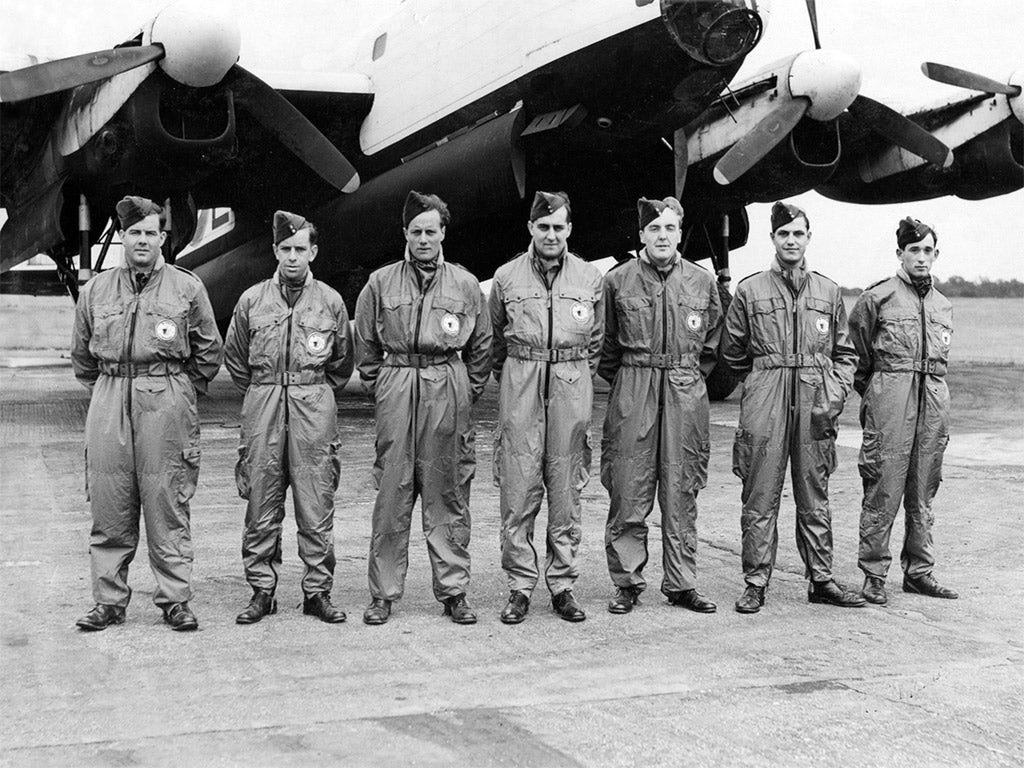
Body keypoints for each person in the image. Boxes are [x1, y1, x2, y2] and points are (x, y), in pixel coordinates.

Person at [71, 195, 223, 632]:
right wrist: (113, 386)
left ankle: (175, 600)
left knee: (167, 502)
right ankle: (108, 601)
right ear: (122, 237)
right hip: (110, 397)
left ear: (162, 238)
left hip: (167, 400)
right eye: (134, 232)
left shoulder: (187, 287)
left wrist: (176, 390)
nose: (142, 240)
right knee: (109, 503)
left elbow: (208, 351)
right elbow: (82, 357)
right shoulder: (95, 291)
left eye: (150, 233)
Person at [354, 191, 492, 626]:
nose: (424, 239)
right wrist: (383, 387)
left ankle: (454, 591)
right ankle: (384, 593)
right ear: (405, 235)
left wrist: (464, 390)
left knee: (446, 492)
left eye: (431, 231)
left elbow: (482, 346)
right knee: (392, 494)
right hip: (398, 384)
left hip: (445, 386)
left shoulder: (465, 285)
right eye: (416, 232)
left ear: (443, 233)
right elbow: (365, 343)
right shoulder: (380, 282)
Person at [720, 201, 864, 613]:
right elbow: (732, 353)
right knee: (760, 493)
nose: (791, 241)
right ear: (773, 239)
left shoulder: (828, 291)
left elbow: (845, 353)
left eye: (798, 233)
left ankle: (820, 579)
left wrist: (833, 395)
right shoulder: (750, 290)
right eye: (784, 234)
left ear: (808, 238)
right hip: (767, 397)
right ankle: (755, 581)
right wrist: (764, 378)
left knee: (814, 492)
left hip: (816, 401)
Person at [224, 211, 353, 625]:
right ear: (275, 251)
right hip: (262, 402)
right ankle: (262, 591)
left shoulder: (330, 301)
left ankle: (317, 592)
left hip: (313, 402)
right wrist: (266, 391)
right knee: (261, 500)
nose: (292, 257)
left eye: (300, 249)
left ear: (313, 251)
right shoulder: (251, 301)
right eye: (285, 249)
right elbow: (236, 360)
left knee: (316, 503)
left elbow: (341, 364)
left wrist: (307, 388)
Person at [598, 197, 723, 615]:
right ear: (641, 236)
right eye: (654, 229)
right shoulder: (617, 281)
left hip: (685, 389)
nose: (662, 236)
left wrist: (686, 378)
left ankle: (682, 582)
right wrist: (634, 381)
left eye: (669, 228)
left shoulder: (702, 283)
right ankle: (628, 582)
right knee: (629, 486)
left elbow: (712, 345)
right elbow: (606, 346)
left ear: (679, 233)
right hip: (634, 386)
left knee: (681, 487)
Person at [490, 190, 604, 624]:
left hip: (571, 385)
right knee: (517, 487)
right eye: (543, 227)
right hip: (521, 381)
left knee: (565, 485)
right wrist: (519, 374)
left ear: (569, 229)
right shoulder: (506, 277)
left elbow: (596, 341)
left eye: (558, 227)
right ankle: (519, 587)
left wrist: (571, 373)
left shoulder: (590, 279)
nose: (551, 234)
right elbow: (494, 336)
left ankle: (563, 585)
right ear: (530, 230)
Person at [848, 217, 958, 604]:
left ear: (936, 254)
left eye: (928, 250)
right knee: (883, 486)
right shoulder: (878, 298)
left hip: (932, 405)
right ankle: (874, 573)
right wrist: (879, 395)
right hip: (890, 402)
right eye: (914, 250)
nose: (922, 257)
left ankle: (920, 571)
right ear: (900, 254)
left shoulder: (943, 305)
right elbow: (857, 356)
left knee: (924, 489)